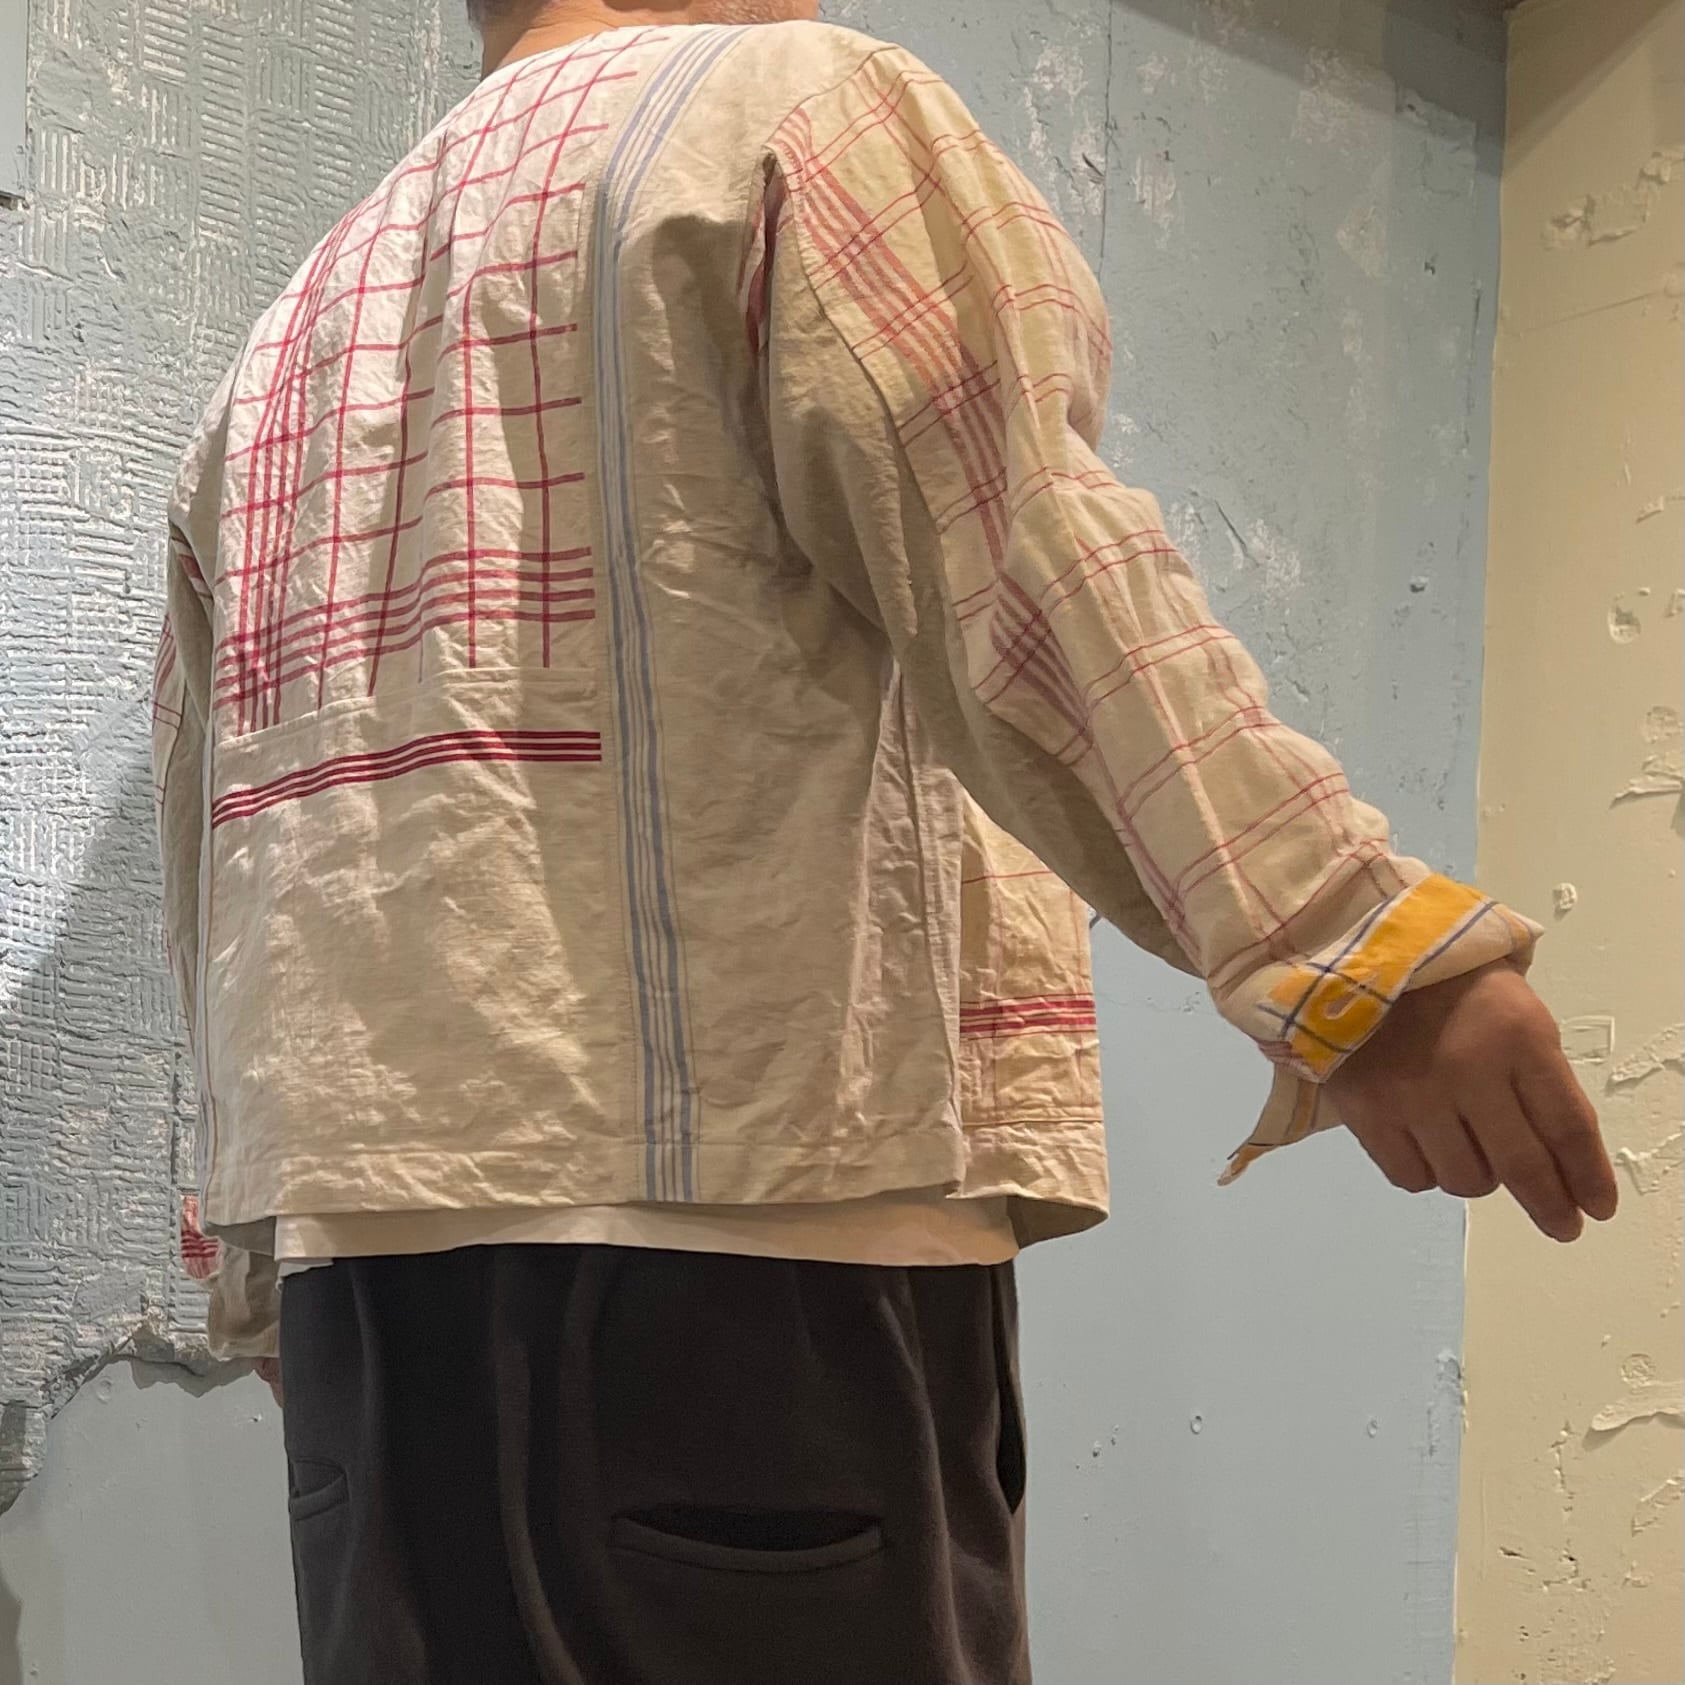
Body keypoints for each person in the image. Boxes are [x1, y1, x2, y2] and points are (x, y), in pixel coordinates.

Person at [151, 2, 1618, 1680]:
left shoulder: (285, 341)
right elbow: (1028, 555)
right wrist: (1357, 955)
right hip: (748, 1268)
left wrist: (253, 1282)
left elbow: (214, 873)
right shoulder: (782, 121)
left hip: (364, 1309)